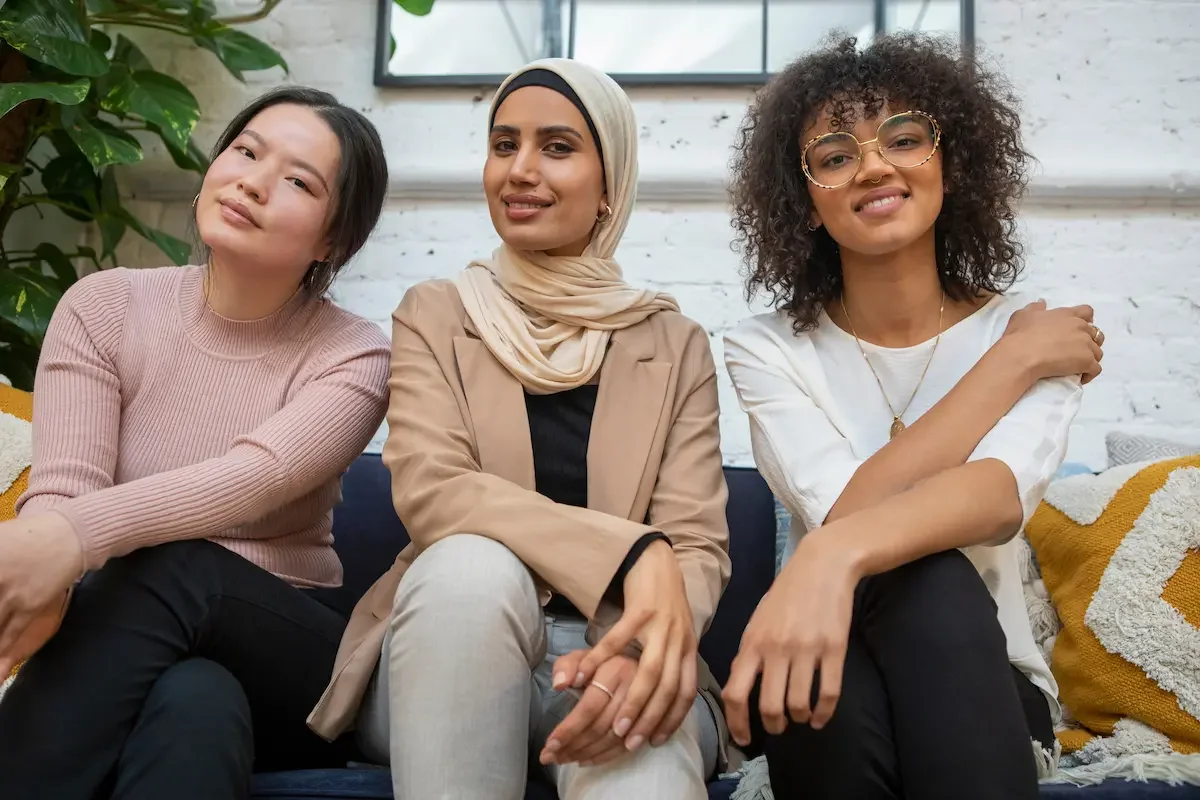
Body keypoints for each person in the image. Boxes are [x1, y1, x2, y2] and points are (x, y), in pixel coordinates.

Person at [306, 58, 732, 800]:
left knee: (644, 765)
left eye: (557, 148)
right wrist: (631, 552)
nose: (520, 170)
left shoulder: (674, 342)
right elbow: (435, 491)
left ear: (610, 185)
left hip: (611, 649)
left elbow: (694, 544)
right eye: (504, 145)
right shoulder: (436, 313)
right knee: (472, 563)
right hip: (450, 646)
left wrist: (639, 655)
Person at [720, 33, 1106, 799]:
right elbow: (845, 511)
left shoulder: (1027, 330)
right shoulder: (765, 350)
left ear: (948, 163)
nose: (872, 166)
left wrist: (827, 557)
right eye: (834, 156)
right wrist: (1010, 370)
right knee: (824, 679)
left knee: (932, 578)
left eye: (904, 138)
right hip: (825, 650)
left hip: (986, 677)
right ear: (805, 204)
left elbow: (995, 500)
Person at [0, 86, 391, 799]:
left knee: (178, 564)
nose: (253, 181)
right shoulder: (105, 307)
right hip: (140, 648)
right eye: (245, 151)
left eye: (299, 181)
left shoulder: (355, 356)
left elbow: (253, 479)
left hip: (290, 659)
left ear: (335, 239)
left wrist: (63, 546)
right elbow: (64, 490)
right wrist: (51, 566)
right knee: (195, 703)